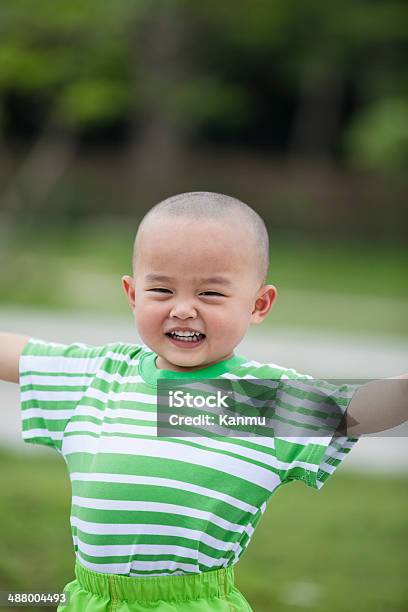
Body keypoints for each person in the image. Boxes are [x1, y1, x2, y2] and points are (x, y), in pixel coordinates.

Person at [1, 191, 406, 611]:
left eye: (210, 294)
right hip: (91, 600)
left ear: (259, 304)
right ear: (132, 294)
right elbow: (17, 354)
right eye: (160, 289)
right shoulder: (101, 377)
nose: (182, 309)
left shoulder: (258, 400)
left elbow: (361, 410)